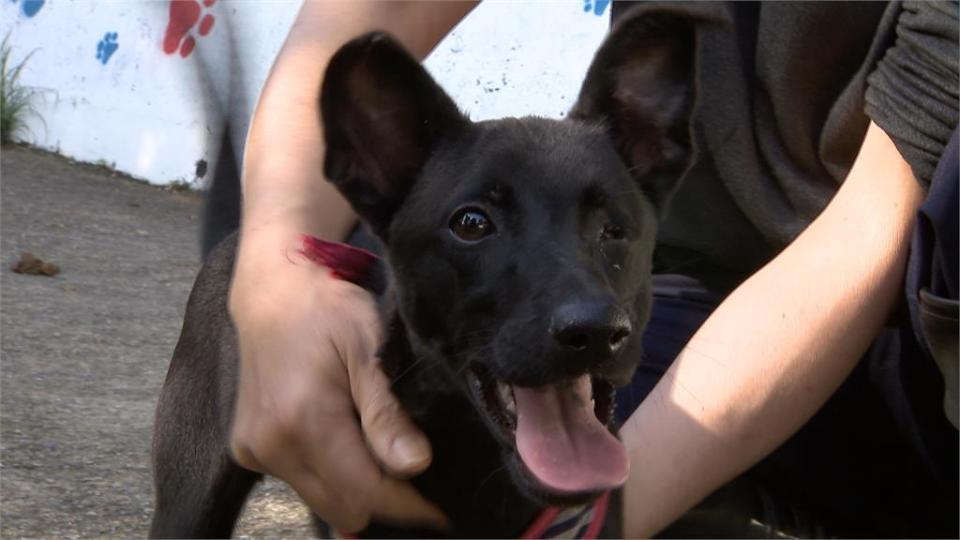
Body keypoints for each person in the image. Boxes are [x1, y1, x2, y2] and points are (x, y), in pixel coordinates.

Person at [218, 1, 958, 536]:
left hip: (909, 344)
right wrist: (276, 269)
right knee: (417, 347)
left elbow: (869, 231)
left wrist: (596, 524)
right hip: (700, 301)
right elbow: (374, 13)